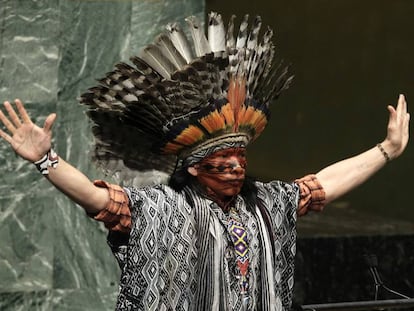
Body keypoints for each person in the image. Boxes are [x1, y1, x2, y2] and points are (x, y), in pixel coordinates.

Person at [0, 12, 410, 311]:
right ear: (194, 166)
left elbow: (323, 184)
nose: (236, 166)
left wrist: (386, 150)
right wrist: (46, 160)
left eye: (240, 156)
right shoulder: (162, 208)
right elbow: (97, 199)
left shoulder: (267, 203)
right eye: (223, 158)